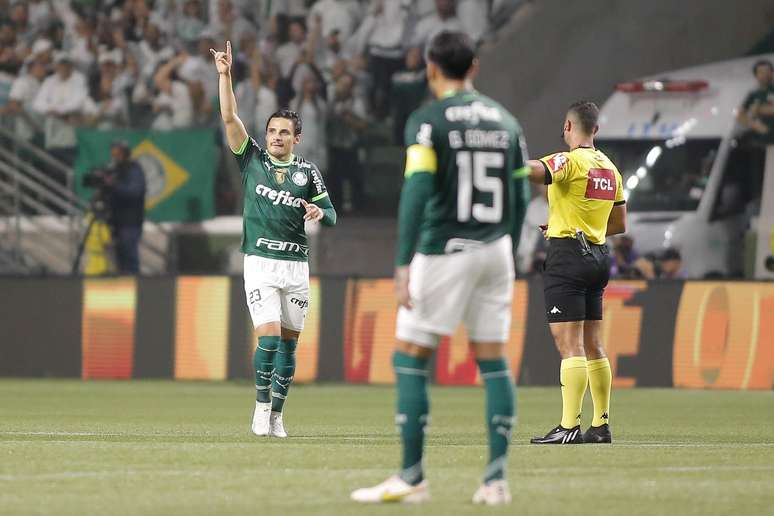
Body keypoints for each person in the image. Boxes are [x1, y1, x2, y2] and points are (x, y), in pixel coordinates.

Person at [351, 31, 530, 506]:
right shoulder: (506, 121)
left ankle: (412, 477)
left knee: (410, 356)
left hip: (445, 248)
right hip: (497, 251)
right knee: (493, 360)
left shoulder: (428, 121)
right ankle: (495, 480)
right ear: (474, 67)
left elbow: (415, 190)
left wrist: (403, 261)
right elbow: (521, 195)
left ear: (431, 68)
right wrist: (507, 248)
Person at [210, 41, 337, 438]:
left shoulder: (308, 173)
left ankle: (279, 413)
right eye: (271, 131)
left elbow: (331, 215)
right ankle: (261, 407)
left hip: (297, 265)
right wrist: (225, 75)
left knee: (289, 346)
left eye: (284, 132)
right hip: (260, 262)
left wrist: (319, 212)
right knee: (267, 338)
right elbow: (229, 116)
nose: (276, 137)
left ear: (297, 138)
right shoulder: (252, 160)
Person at [523, 101, 626, 445]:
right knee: (594, 344)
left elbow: (534, 171)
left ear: (568, 127)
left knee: (570, 346)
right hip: (598, 255)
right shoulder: (610, 169)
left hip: (568, 256)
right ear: (595, 129)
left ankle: (568, 426)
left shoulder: (569, 160)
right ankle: (600, 425)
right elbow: (618, 223)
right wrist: (573, 225)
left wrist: (501, 160)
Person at [103, 140, 147, 274]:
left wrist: (114, 185)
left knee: (130, 260)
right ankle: (123, 288)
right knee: (119, 261)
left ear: (125, 153)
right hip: (116, 221)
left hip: (130, 222)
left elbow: (135, 191)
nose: (115, 156)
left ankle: (136, 287)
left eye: (118, 153)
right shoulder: (114, 169)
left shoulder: (134, 169)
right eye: (113, 154)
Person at [737, 59, 774, 142]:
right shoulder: (753, 94)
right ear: (756, 75)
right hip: (762, 142)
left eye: (768, 71)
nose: (765, 75)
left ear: (772, 73)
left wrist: (758, 109)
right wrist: (755, 125)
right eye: (761, 72)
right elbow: (740, 116)